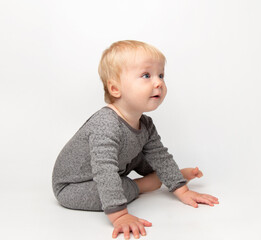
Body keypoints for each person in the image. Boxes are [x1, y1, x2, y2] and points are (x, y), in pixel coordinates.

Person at [52, 40, 219, 239]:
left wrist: (182, 190)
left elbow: (160, 156)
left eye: (161, 75)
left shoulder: (145, 123)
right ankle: (144, 184)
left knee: (151, 154)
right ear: (115, 89)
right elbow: (104, 170)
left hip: (118, 166)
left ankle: (171, 177)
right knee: (121, 188)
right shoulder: (106, 123)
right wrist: (120, 216)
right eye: (146, 75)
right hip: (74, 185)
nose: (158, 83)